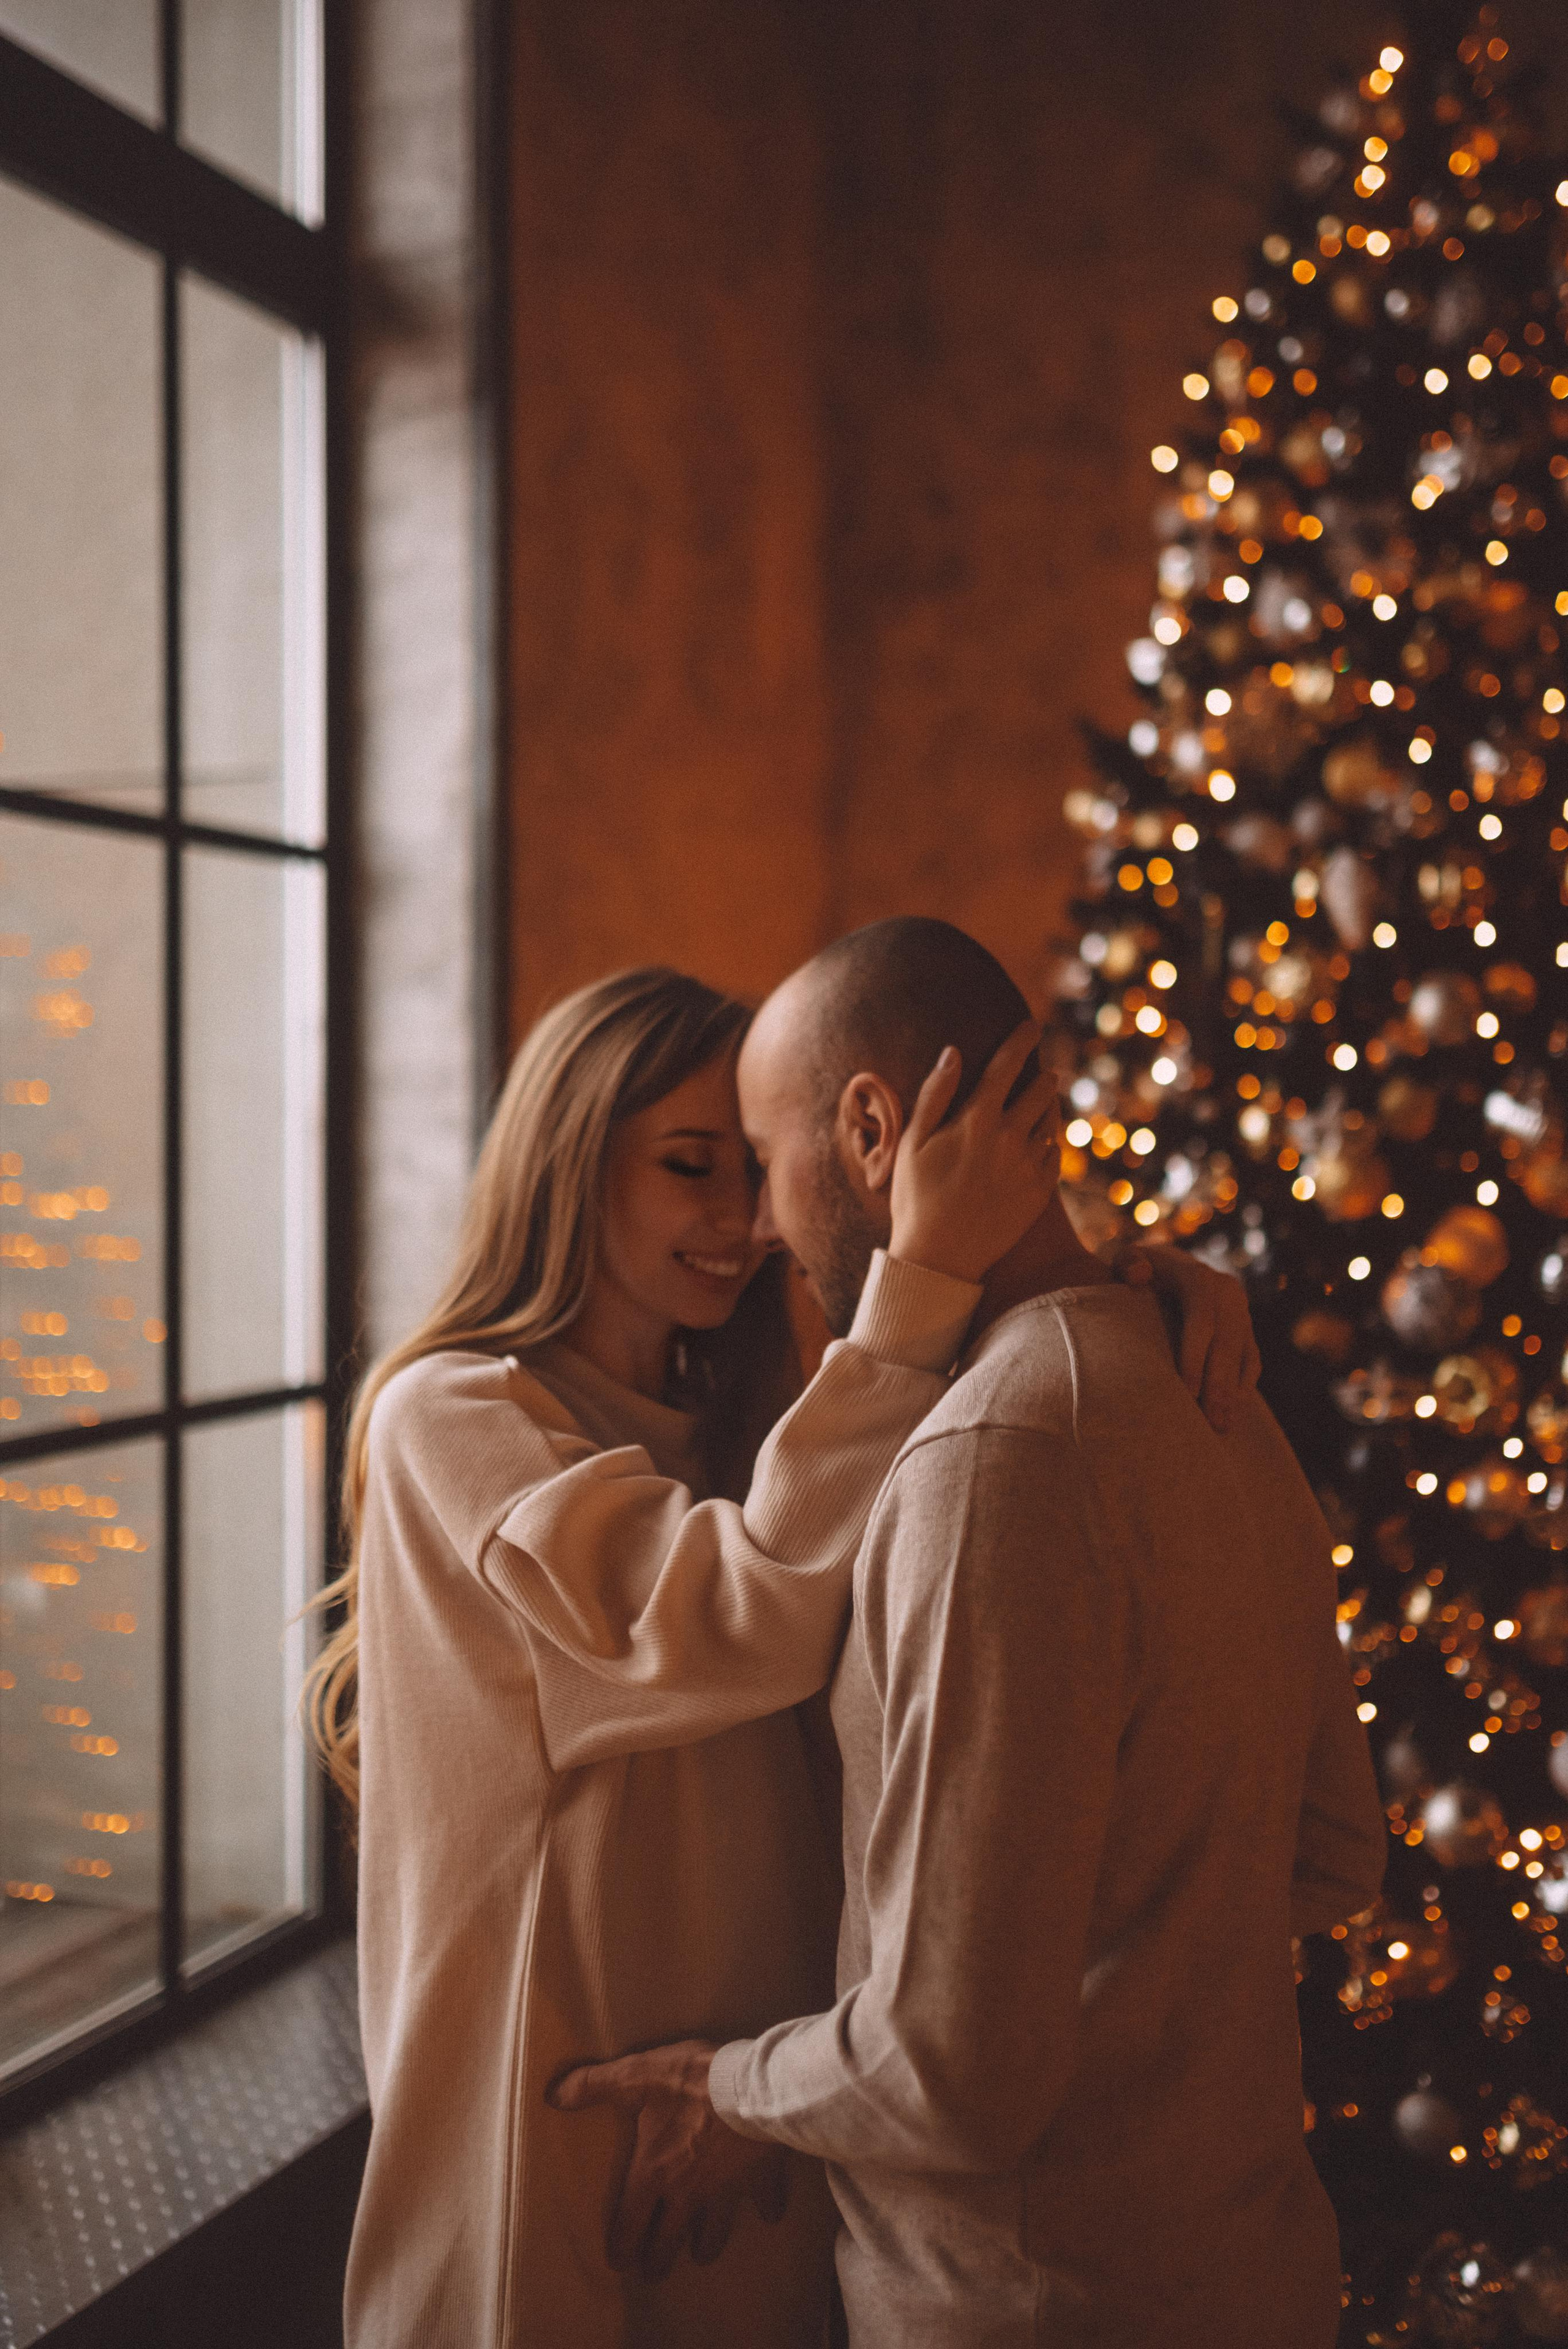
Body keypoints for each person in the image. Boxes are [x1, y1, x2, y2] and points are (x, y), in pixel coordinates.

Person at [314, 962, 1256, 2349]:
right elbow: (723, 1619)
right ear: (567, 1164)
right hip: (568, 2108)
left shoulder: (751, 1429)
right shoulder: (450, 1420)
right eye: (694, 1166)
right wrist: (924, 1279)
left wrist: (1112, 1293)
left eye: (752, 1169)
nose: (745, 1222)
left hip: (763, 2107)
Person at [550, 920, 1387, 2349]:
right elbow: (1328, 1854)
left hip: (1029, 2308)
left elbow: (951, 2071)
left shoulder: (992, 1452)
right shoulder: (1210, 1395)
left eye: (760, 1163)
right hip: (1254, 2272)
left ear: (869, 1128)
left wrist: (730, 2090)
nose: (754, 1227)